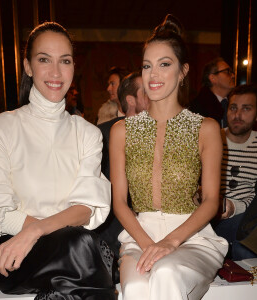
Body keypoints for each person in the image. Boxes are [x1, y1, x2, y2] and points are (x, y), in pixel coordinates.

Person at [0, 22, 114, 299]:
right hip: (8, 253)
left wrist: (37, 231)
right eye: (44, 59)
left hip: (73, 248)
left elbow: (86, 208)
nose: (56, 72)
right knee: (84, 247)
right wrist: (36, 233)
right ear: (28, 66)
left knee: (79, 248)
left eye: (65, 61)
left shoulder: (88, 134)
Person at [109, 15, 228, 299]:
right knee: (136, 287)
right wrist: (150, 244)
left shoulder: (207, 128)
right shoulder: (121, 131)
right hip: (139, 236)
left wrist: (170, 242)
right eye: (147, 66)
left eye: (165, 64)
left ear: (183, 71)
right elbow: (119, 203)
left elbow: (211, 201)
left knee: (165, 272)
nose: (154, 74)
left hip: (192, 237)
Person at [95, 71, 149, 283]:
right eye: (146, 91)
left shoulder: (166, 133)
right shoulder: (102, 135)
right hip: (113, 238)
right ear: (130, 100)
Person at [212, 84, 257, 260]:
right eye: (233, 108)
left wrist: (233, 207)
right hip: (207, 219)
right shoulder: (212, 139)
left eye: (246, 108)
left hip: (245, 218)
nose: (237, 115)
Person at [189, 57, 235, 128]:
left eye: (231, 72)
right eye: (227, 72)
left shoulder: (235, 102)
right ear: (213, 78)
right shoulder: (197, 109)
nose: (233, 76)